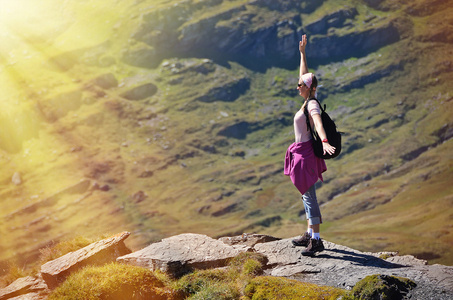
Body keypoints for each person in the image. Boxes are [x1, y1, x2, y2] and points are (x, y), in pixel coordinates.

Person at [284, 34, 336, 256]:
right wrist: (303, 53)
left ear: (307, 88)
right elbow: (304, 75)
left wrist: (324, 141)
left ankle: (316, 240)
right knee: (306, 195)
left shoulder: (312, 105)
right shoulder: (308, 98)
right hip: (301, 154)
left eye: (299, 85)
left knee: (309, 196)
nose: (297, 87)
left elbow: (317, 123)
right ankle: (309, 233)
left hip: (306, 156)